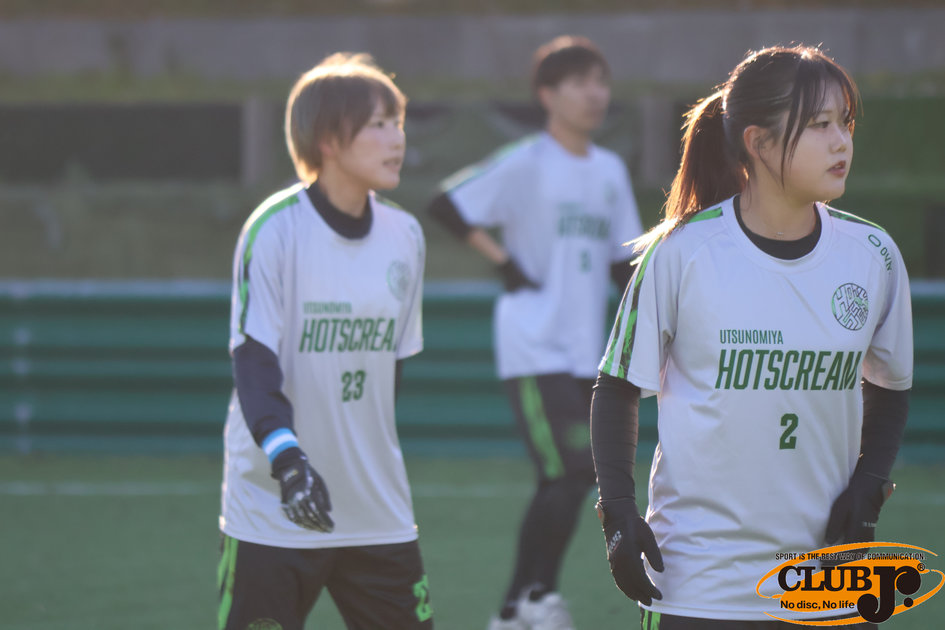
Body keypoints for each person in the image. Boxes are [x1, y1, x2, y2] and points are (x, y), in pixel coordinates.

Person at [590, 44, 912, 630]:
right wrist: (617, 511)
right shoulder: (681, 253)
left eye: (845, 122)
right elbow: (617, 387)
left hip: (828, 583)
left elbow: (889, 387)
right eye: (819, 124)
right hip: (699, 584)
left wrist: (870, 482)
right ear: (758, 142)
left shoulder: (874, 255)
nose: (841, 141)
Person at [428, 35, 644, 630]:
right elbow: (446, 203)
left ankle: (517, 607)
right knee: (570, 470)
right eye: (580, 82)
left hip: (586, 351)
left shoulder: (610, 170)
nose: (595, 94)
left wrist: (653, 325)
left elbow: (621, 263)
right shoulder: (526, 161)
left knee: (575, 475)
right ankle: (533, 599)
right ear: (547, 95)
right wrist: (502, 262)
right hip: (533, 343)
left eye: (601, 81)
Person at [217, 52, 432, 630]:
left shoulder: (406, 236)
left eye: (398, 122)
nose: (397, 138)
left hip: (375, 505)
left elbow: (390, 374)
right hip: (274, 502)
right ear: (329, 141)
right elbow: (253, 360)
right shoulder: (274, 229)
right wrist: (288, 461)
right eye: (378, 124)